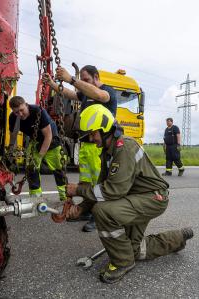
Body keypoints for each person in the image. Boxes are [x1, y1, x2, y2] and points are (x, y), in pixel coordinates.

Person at [65, 104, 193, 284]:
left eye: (93, 134)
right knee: (135, 250)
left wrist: (77, 190)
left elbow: (112, 191)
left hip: (152, 198)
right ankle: (178, 238)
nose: (92, 139)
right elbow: (102, 187)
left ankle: (122, 262)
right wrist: (81, 207)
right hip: (137, 197)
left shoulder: (124, 147)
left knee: (102, 211)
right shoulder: (108, 152)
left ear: (105, 129)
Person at [43, 65, 117, 231]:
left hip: (100, 146)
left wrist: (71, 79)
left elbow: (99, 95)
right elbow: (72, 94)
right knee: (86, 182)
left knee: (100, 183)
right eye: (82, 80)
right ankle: (87, 210)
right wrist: (53, 84)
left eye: (87, 80)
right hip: (86, 144)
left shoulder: (107, 91)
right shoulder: (85, 93)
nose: (83, 83)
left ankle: (99, 216)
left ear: (96, 77)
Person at [8, 96, 67, 201]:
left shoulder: (38, 111)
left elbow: (48, 136)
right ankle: (36, 199)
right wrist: (12, 155)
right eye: (16, 112)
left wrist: (40, 156)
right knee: (32, 169)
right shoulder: (13, 118)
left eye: (22, 110)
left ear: (26, 105)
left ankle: (65, 198)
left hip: (51, 140)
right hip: (35, 141)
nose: (20, 114)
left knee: (58, 170)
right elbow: (13, 137)